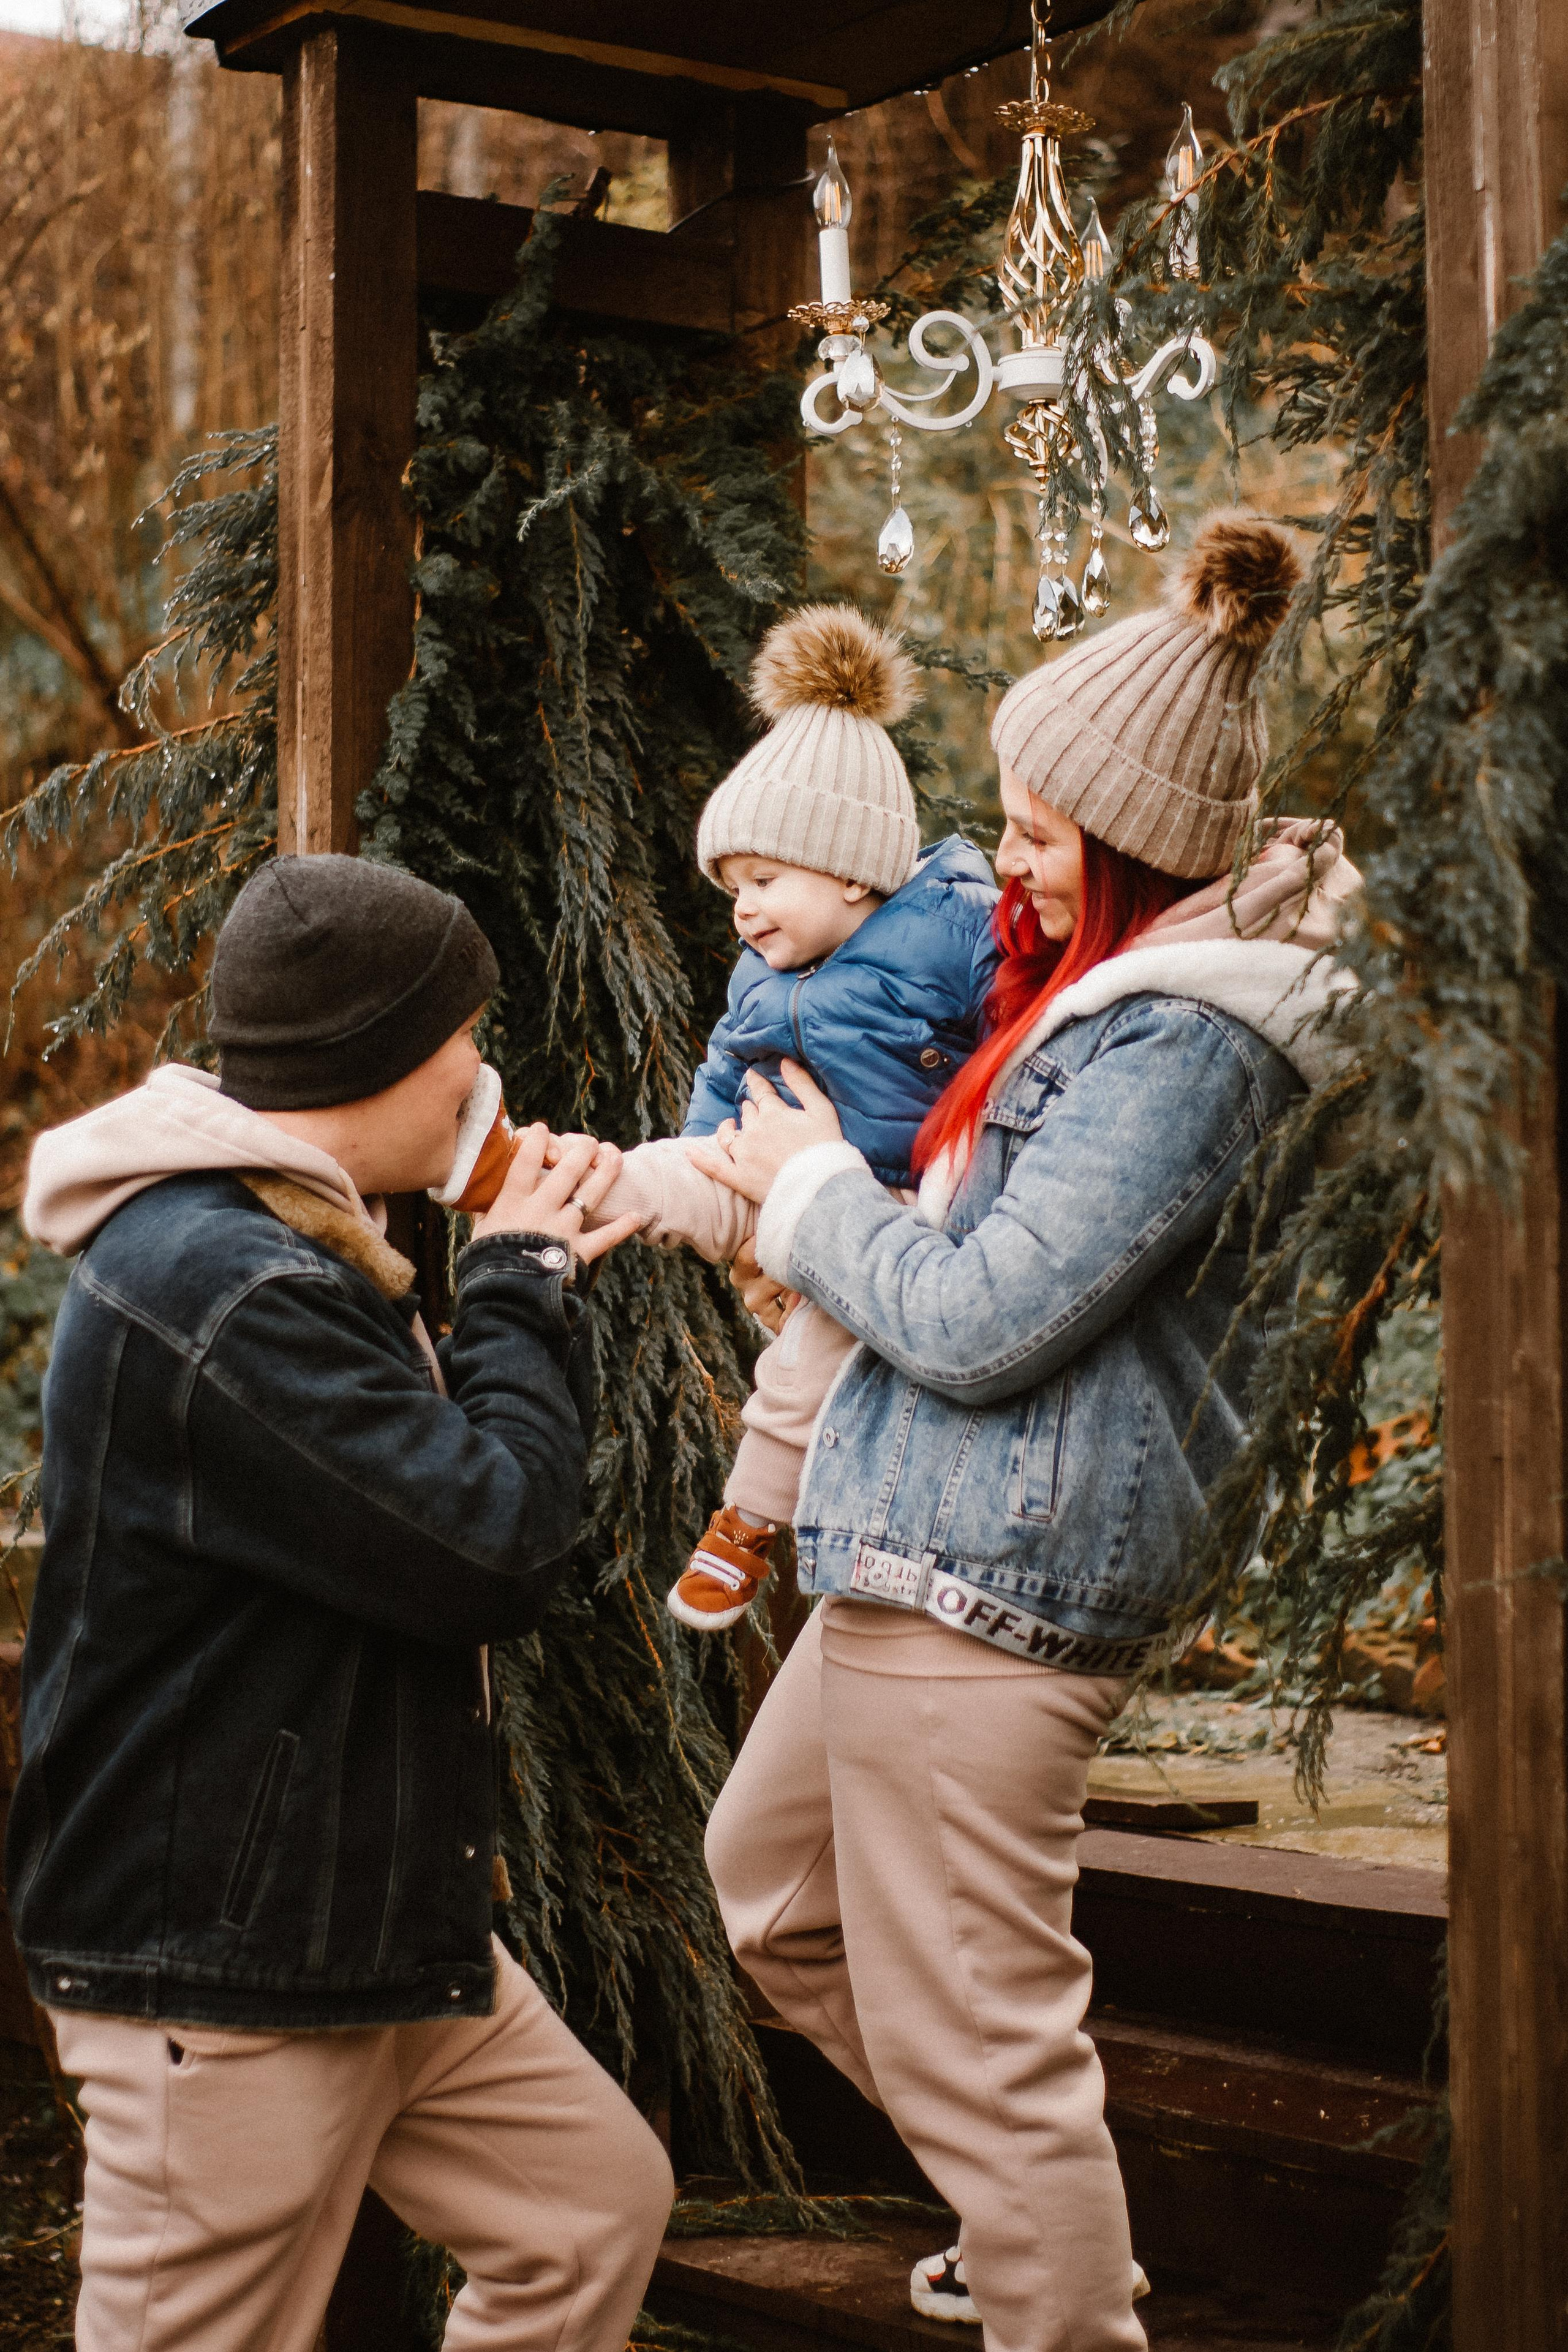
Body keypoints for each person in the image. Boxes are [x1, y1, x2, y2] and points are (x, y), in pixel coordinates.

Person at [690, 515, 1360, 2352]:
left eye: (1048, 829)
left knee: (984, 2036)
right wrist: (743, 1192)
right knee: (777, 1901)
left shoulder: (1190, 1049)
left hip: (998, 1579)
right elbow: (934, 1245)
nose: (1017, 860)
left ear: (1136, 841)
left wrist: (820, 1194)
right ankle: (1031, 2227)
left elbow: (983, 1320)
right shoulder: (1094, 1000)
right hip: (907, 1549)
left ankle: (1059, 2300)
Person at [8, 854, 668, 2352]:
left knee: (588, 2217)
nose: (480, 1073)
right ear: (374, 1055)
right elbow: (488, 1542)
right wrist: (517, 1278)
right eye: (462, 1036)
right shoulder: (222, 1282)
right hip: (224, 1970)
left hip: (366, 1931)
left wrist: (519, 1264)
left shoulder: (278, 1235)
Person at [589, 603, 996, 1634]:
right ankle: (578, 1184)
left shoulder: (955, 931)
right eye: (732, 886)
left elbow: (1021, 1031)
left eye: (764, 880)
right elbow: (727, 1072)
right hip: (766, 1166)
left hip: (889, 1202)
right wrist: (699, 1159)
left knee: (806, 1360)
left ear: (855, 868)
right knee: (669, 1167)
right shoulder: (760, 973)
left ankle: (748, 1517)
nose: (743, 907)